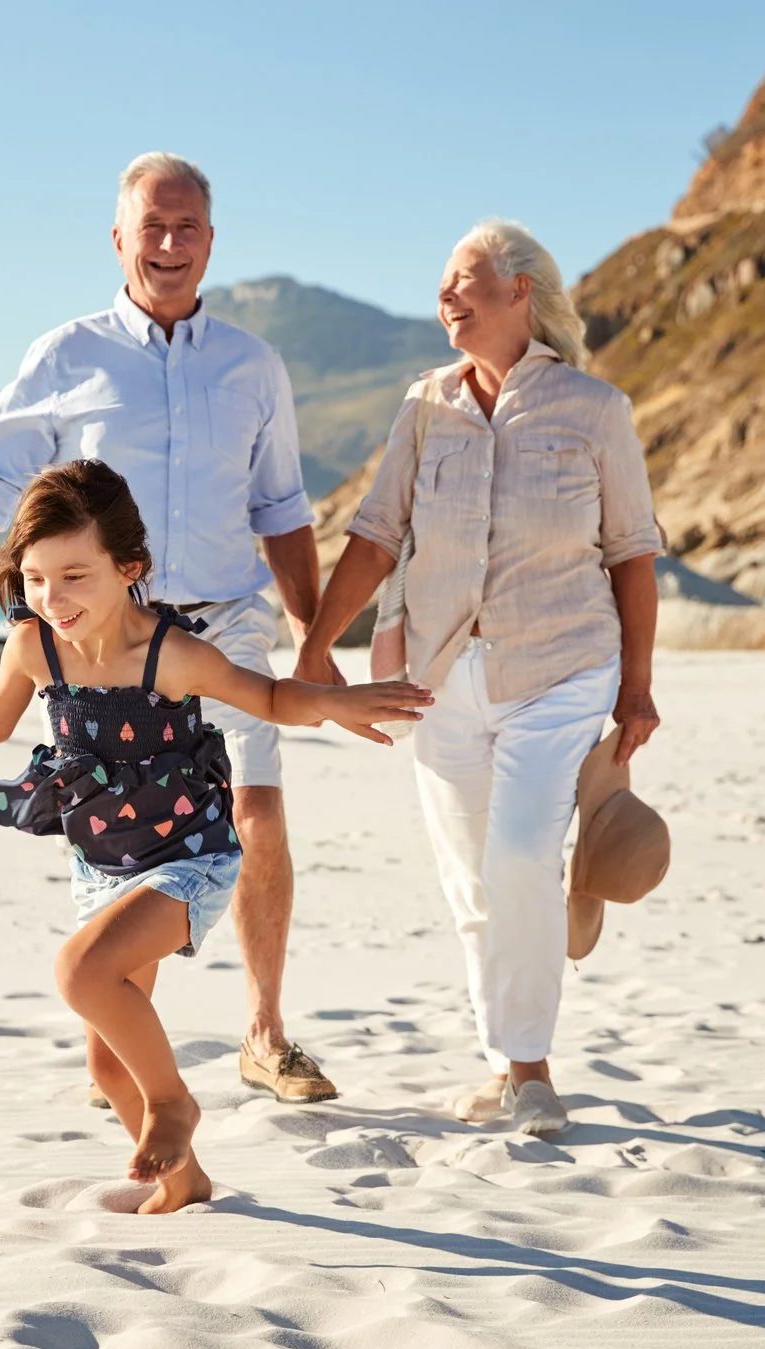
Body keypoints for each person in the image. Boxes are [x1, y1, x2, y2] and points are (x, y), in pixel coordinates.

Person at [0, 462, 430, 1212]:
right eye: (37, 578)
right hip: (102, 865)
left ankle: (175, 1108)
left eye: (75, 575)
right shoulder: (34, 647)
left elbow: (268, 695)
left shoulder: (169, 653)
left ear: (128, 568)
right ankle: (187, 1181)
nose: (53, 598)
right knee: (111, 1070)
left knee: (80, 971)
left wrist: (335, 703)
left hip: (189, 860)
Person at [0, 152, 345, 1103]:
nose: (171, 244)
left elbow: (281, 510)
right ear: (119, 238)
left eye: (188, 227)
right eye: (153, 227)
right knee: (120, 827)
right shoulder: (66, 355)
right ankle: (122, 1018)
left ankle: (264, 1032)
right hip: (107, 639)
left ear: (212, 240)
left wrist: (313, 637)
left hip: (220, 624)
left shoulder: (252, 365)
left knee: (257, 805)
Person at [293, 219, 662, 1138]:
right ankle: (502, 1062)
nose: (446, 298)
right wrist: (315, 648)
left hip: (562, 666)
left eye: (464, 281)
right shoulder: (425, 406)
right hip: (440, 672)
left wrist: (638, 686)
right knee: (470, 882)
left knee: (517, 858)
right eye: (442, 284)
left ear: (518, 293)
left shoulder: (594, 410)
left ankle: (532, 1074)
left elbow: (632, 555)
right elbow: (375, 535)